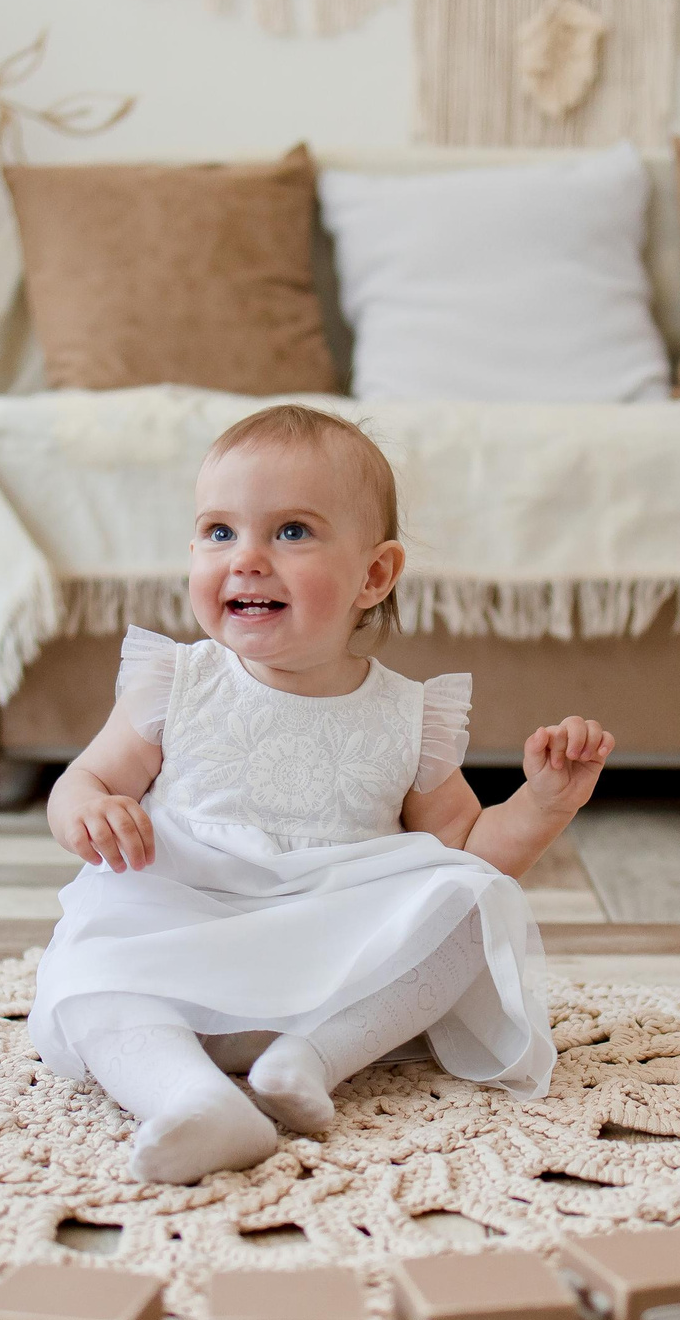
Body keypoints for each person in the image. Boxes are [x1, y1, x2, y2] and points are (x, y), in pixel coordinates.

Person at [32, 404, 615, 1183]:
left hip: (327, 967)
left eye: (292, 532)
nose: (246, 559)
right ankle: (191, 1099)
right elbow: (87, 779)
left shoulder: (408, 716)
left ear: (373, 575)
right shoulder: (178, 681)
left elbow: (469, 852)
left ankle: (306, 1061)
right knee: (86, 976)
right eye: (218, 531)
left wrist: (544, 802)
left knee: (470, 907)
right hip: (182, 934)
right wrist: (90, 811)